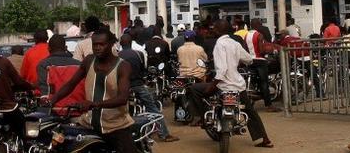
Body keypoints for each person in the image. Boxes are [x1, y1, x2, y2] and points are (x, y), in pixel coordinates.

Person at [44, 28, 137, 151]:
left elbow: (122, 98)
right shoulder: (88, 61)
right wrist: (52, 100)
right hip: (89, 124)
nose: (97, 47)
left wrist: (93, 104)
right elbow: (71, 84)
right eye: (95, 44)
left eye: (101, 44)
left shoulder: (123, 66)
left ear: (111, 44)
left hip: (116, 126)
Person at [186, 20, 273, 148]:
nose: (213, 30)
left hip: (222, 86)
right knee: (250, 112)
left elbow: (221, 70)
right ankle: (264, 139)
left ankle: (203, 119)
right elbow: (249, 59)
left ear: (219, 30)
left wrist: (212, 85)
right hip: (238, 86)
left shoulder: (219, 44)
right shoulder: (235, 44)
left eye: (215, 27)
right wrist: (238, 62)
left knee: (193, 89)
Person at [118, 35, 178, 142]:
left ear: (121, 44)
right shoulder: (138, 54)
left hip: (122, 88)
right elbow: (143, 70)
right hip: (138, 86)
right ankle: (164, 134)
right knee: (153, 108)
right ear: (131, 43)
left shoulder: (117, 56)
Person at [36, 34, 85, 108]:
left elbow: (45, 93)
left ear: (49, 49)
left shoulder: (44, 65)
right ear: (66, 48)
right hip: (78, 109)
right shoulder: (80, 65)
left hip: (55, 111)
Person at [245, 20, 278, 112]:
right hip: (260, 60)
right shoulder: (259, 35)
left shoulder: (246, 35)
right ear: (258, 25)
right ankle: (269, 105)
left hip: (250, 61)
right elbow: (262, 50)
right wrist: (270, 51)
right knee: (264, 82)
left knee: (255, 80)